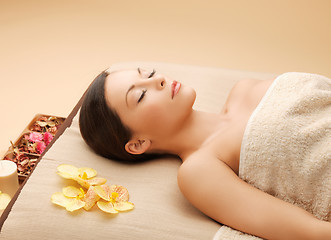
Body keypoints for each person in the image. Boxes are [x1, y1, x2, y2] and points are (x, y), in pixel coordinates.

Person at [79, 68, 331, 239]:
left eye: (150, 73)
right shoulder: (199, 170)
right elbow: (307, 232)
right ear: (138, 144)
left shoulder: (244, 88)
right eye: (141, 95)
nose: (159, 81)